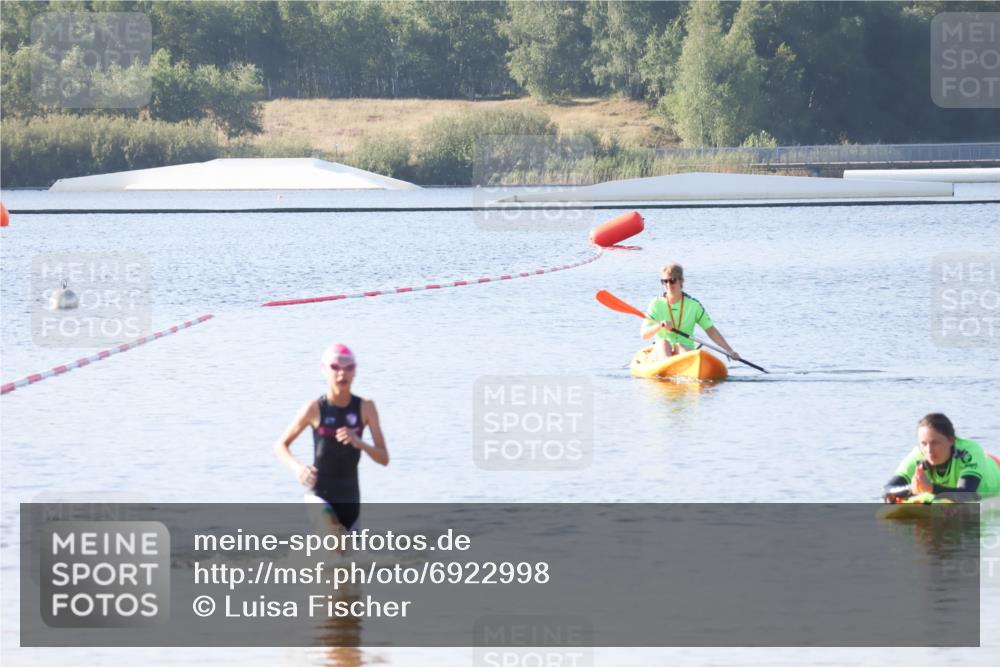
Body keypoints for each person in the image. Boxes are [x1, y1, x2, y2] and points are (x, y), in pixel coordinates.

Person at [275, 343, 388, 531]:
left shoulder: (366, 408)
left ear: (355, 371)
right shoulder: (314, 408)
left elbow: (384, 458)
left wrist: (359, 442)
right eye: (335, 367)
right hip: (319, 494)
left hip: (350, 499)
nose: (342, 373)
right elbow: (281, 446)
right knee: (334, 535)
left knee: (345, 549)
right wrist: (298, 468)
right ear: (324, 370)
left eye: (348, 367)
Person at [883, 413, 1000, 503]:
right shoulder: (917, 455)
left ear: (951, 441)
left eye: (935, 443)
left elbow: (967, 494)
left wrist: (930, 488)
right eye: (923, 443)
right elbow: (887, 489)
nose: (929, 450)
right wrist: (911, 489)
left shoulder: (969, 451)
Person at [641, 263, 739, 361]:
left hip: (684, 349)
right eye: (664, 281)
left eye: (672, 280)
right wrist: (660, 325)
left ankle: (685, 363)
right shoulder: (656, 304)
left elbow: (711, 331)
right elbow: (644, 335)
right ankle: (668, 363)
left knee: (680, 346)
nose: (668, 285)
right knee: (664, 343)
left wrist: (730, 351)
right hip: (660, 351)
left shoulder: (694, 305)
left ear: (681, 280)